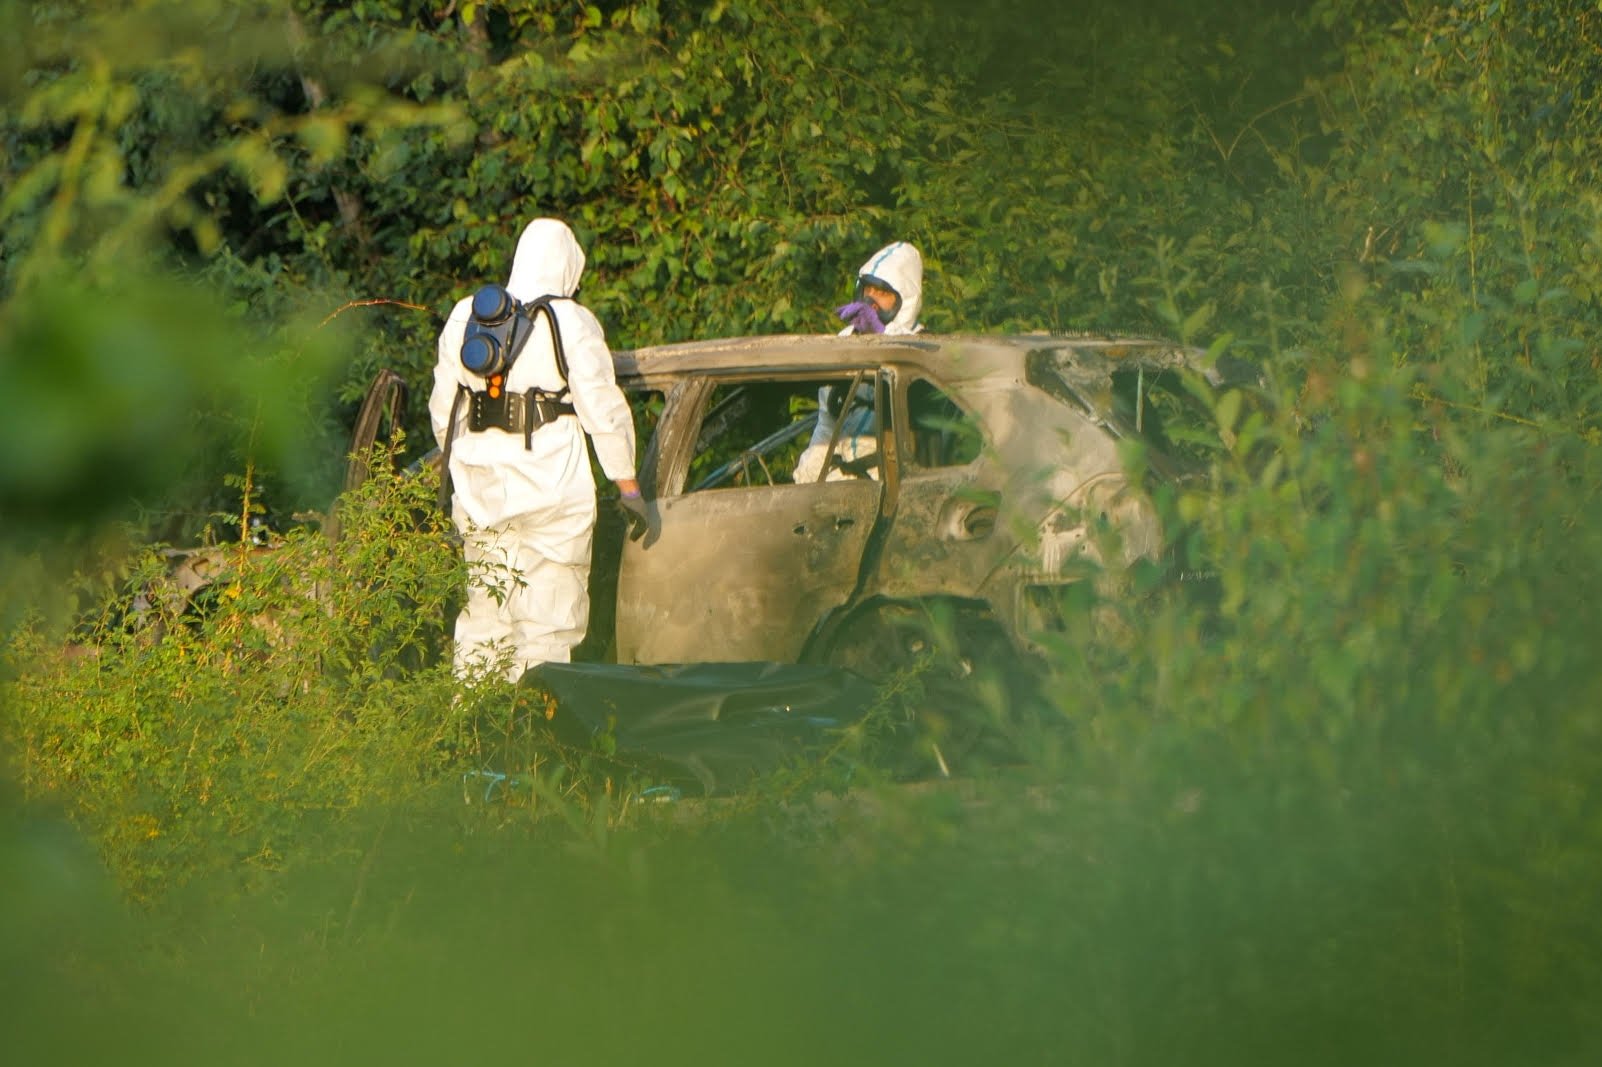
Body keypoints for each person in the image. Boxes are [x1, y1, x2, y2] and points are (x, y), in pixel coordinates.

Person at [429, 218, 650, 681]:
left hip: (482, 493)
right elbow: (602, 409)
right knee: (548, 621)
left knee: (484, 619)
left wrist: (467, 470)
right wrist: (628, 486)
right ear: (568, 266)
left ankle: (472, 721)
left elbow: (443, 411)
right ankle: (532, 721)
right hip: (552, 492)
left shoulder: (466, 314)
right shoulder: (570, 320)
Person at [792, 241, 924, 482]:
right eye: (868, 290)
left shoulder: (921, 350)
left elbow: (908, 404)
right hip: (845, 486)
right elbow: (827, 424)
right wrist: (808, 478)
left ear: (904, 301)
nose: (871, 301)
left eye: (882, 293)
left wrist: (879, 339)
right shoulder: (846, 343)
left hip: (894, 487)